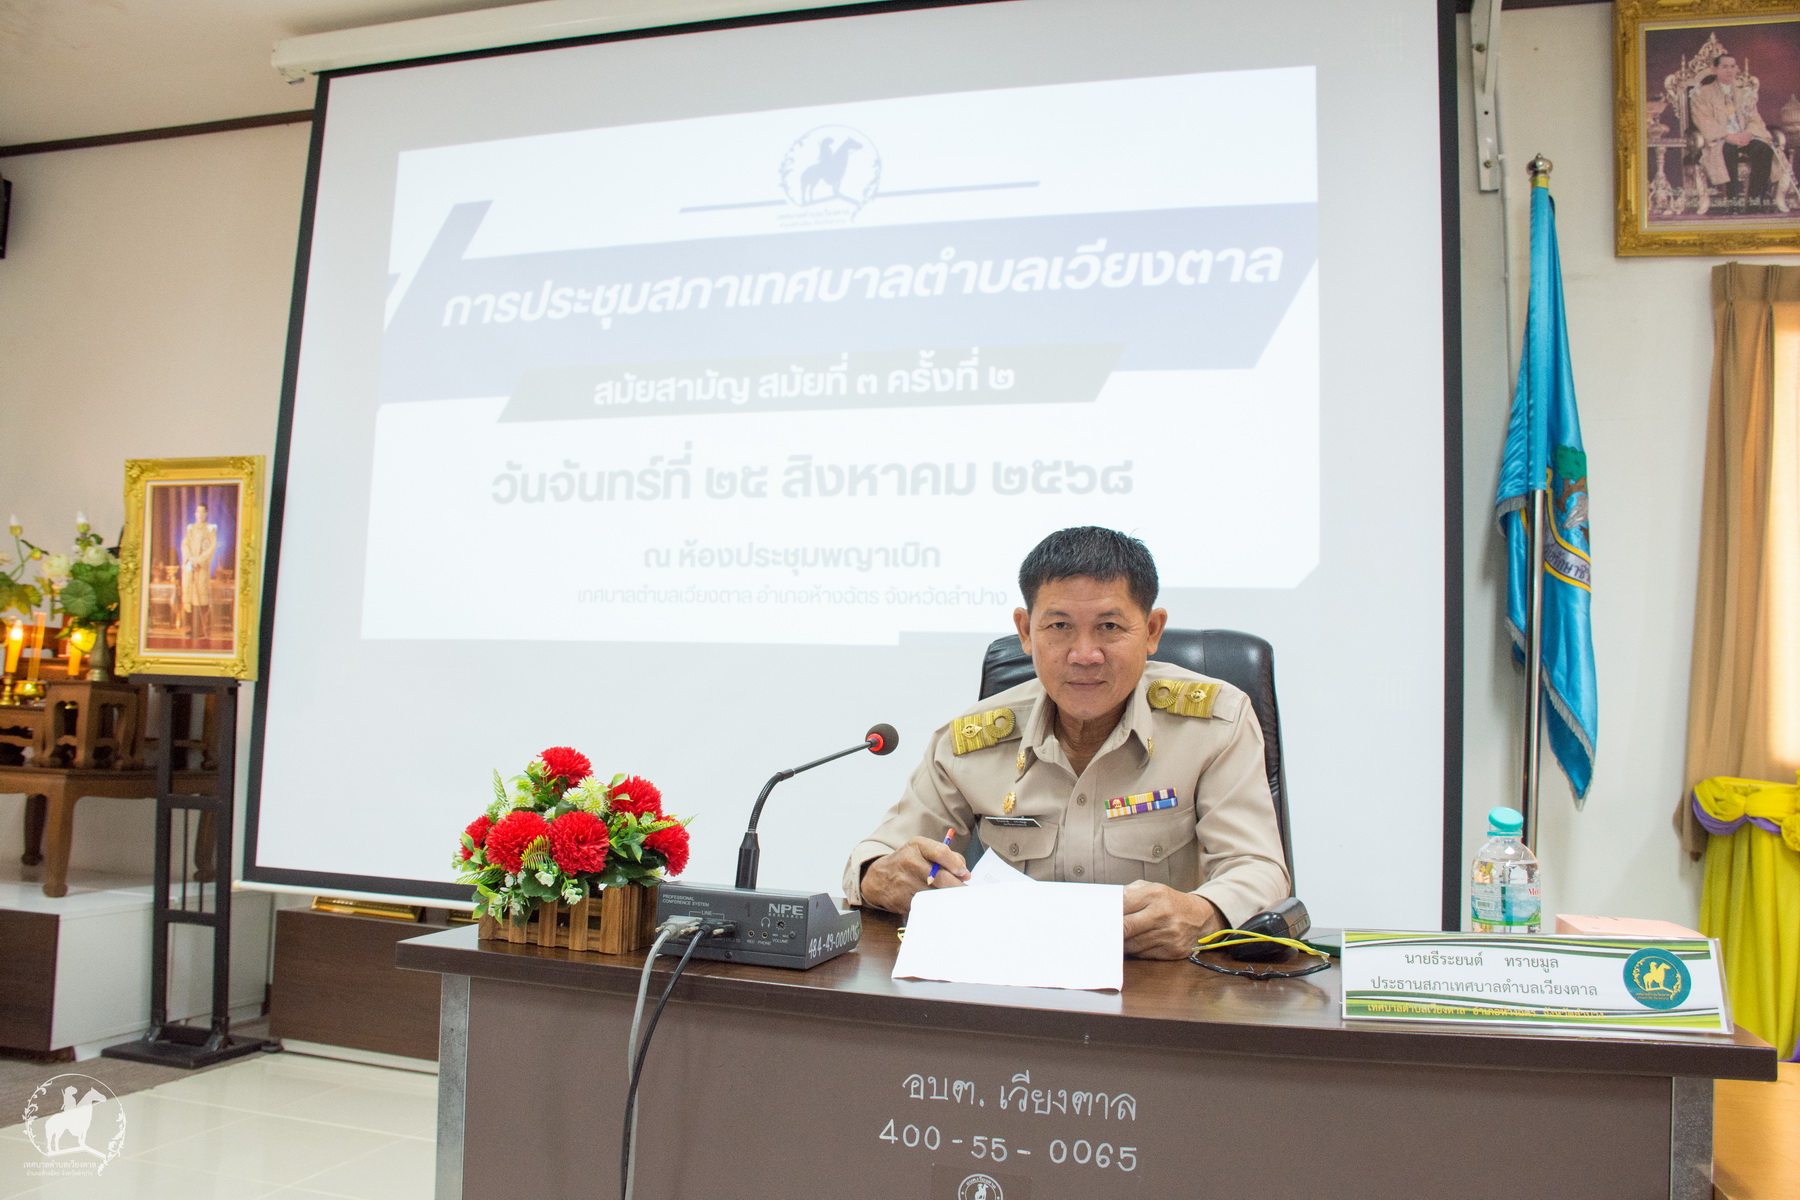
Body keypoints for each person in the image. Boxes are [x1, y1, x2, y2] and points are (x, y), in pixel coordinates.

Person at [843, 527, 1289, 959]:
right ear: (1025, 631)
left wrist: (1205, 912)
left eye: (1109, 626)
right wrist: (879, 875)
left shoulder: (1214, 724)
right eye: (1059, 625)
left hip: (1163, 983)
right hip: (1010, 977)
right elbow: (880, 855)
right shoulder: (970, 740)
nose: (1084, 654)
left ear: (1152, 630)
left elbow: (1257, 868)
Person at [1690, 53, 1788, 213]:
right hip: (1720, 139)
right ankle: (1733, 202)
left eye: (1732, 66)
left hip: (1744, 136)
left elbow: (1754, 118)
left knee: (1764, 149)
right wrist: (1727, 135)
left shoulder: (1744, 93)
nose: (1729, 70)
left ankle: (1754, 202)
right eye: (1724, 66)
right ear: (1715, 69)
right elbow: (1703, 119)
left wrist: (1749, 133)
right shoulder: (1702, 93)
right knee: (1727, 151)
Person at [179, 502, 218, 641]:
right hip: (190, 566)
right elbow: (185, 545)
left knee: (200, 596)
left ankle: (200, 629)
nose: (200, 514)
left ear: (206, 513)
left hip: (201, 568)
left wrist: (199, 561)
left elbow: (211, 548)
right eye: (198, 512)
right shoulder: (190, 529)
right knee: (190, 597)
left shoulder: (210, 529)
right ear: (195, 514)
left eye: (203, 512)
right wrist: (190, 559)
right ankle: (192, 627)